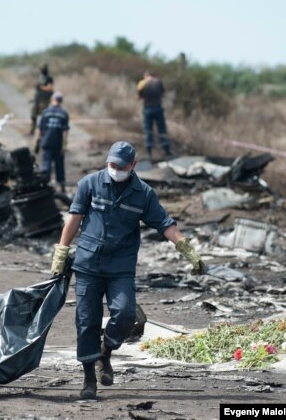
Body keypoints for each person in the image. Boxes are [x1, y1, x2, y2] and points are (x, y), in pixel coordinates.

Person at [49, 141, 204, 400]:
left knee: (125, 313)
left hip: (121, 266)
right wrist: (61, 252)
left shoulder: (143, 193)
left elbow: (164, 223)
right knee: (86, 321)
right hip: (88, 264)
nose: (115, 169)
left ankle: (105, 353)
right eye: (112, 164)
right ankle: (89, 379)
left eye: (121, 166)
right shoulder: (90, 183)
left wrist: (187, 249)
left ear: (133, 165)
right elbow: (74, 218)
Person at [34, 91, 69, 193]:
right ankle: (61, 186)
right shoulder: (64, 114)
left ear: (52, 99)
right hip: (57, 143)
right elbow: (65, 131)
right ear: (61, 101)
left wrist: (36, 142)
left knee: (46, 165)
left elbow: (39, 129)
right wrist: (64, 145)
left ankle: (45, 185)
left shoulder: (45, 112)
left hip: (46, 142)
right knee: (59, 165)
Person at [137, 71, 172, 159]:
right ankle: (167, 151)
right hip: (158, 108)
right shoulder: (158, 82)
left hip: (147, 109)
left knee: (148, 130)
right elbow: (163, 93)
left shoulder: (142, 83)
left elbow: (139, 97)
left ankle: (149, 152)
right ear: (152, 76)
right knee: (162, 129)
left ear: (145, 76)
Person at [29, 63, 54, 135]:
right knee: (33, 115)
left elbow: (49, 88)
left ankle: (42, 132)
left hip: (44, 100)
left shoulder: (49, 78)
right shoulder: (40, 77)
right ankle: (32, 130)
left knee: (43, 116)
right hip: (37, 99)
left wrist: (41, 87)